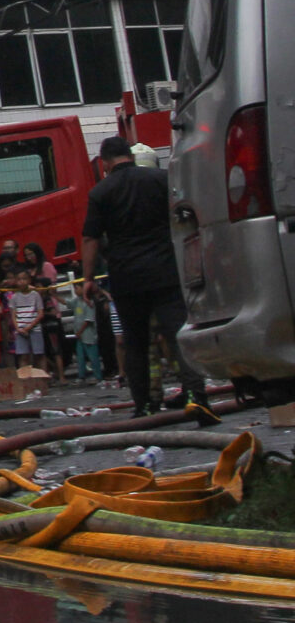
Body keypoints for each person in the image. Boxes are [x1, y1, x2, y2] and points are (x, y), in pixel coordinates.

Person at [81, 136, 208, 417]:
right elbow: (186, 217)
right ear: (130, 155)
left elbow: (90, 238)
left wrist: (88, 278)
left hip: (126, 277)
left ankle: (144, 407)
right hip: (165, 271)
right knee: (178, 335)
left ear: (104, 163)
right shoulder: (160, 179)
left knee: (135, 343)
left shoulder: (100, 192)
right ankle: (196, 397)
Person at [7, 270, 45, 370]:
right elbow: (13, 315)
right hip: (20, 330)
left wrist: (29, 327)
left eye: (24, 279)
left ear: (29, 280)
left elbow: (40, 314)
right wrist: (17, 329)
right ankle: (25, 377)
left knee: (39, 354)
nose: (22, 282)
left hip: (35, 329)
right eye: (19, 279)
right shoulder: (14, 297)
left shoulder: (35, 295)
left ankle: (42, 376)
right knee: (23, 355)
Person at [73, 290, 101, 383]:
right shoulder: (76, 301)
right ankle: (82, 376)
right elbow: (66, 303)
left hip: (88, 334)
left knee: (93, 356)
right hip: (80, 335)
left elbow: (88, 320)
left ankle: (97, 376)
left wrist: (80, 331)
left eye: (77, 288)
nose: (76, 290)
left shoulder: (89, 302)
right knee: (80, 357)